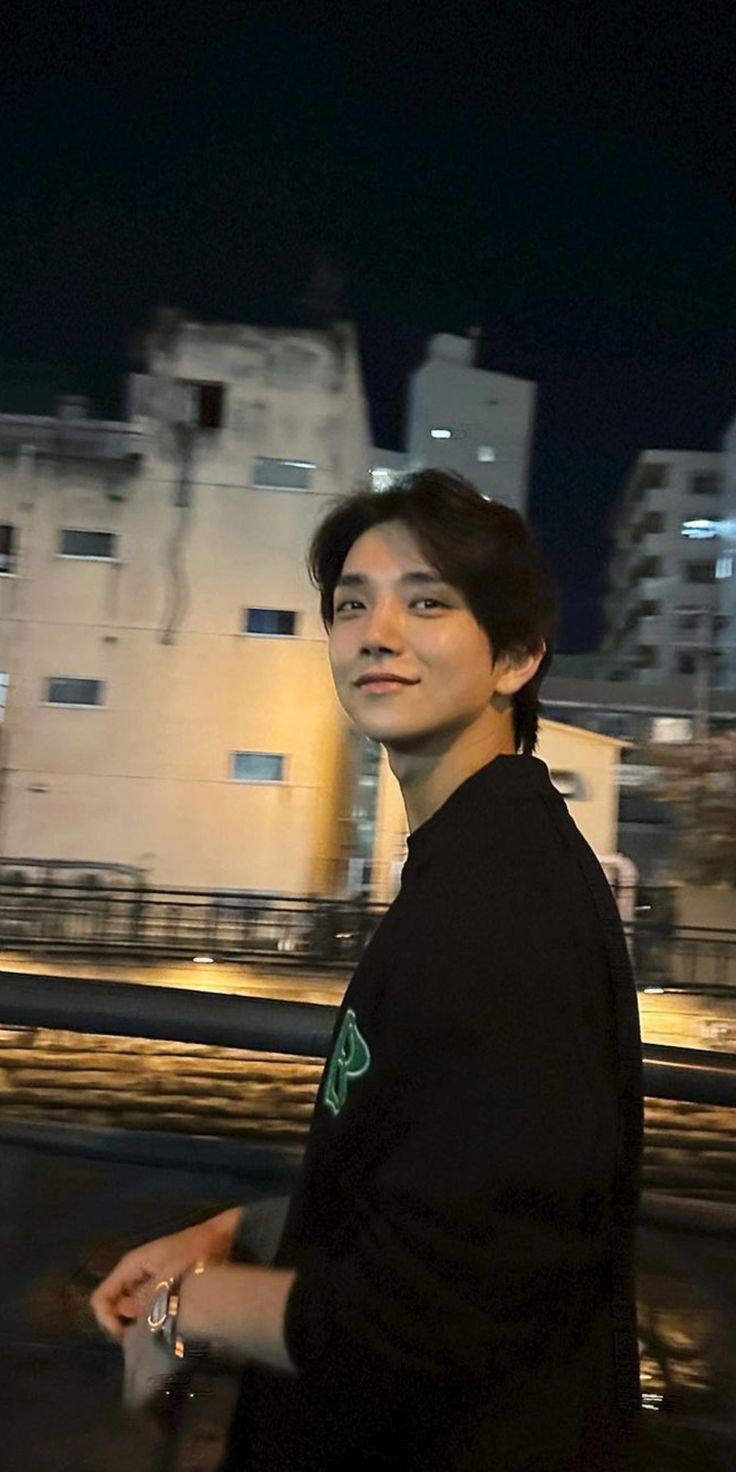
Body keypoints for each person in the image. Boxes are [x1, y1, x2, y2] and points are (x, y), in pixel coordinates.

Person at [91, 470, 643, 1470]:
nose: (375, 630)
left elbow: (450, 1305)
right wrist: (238, 1228)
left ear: (516, 655)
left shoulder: (505, 904)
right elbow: (439, 1182)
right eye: (352, 603)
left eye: (426, 600)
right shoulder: (467, 861)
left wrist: (182, 1310)